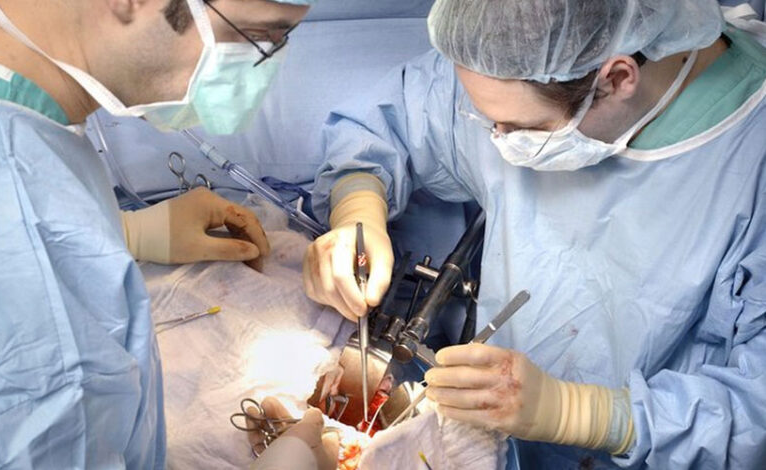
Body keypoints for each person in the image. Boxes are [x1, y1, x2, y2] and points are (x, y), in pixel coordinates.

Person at [304, 0, 766, 468]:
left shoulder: (750, 168)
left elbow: (754, 411)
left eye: (523, 129)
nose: (496, 138)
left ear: (617, 78)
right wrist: (357, 210)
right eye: (485, 120)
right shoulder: (520, 48)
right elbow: (392, 124)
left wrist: (579, 414)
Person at [0, 0, 333, 468]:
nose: (263, 68)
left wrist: (130, 232)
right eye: (257, 36)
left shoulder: (25, 121)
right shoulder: (25, 240)